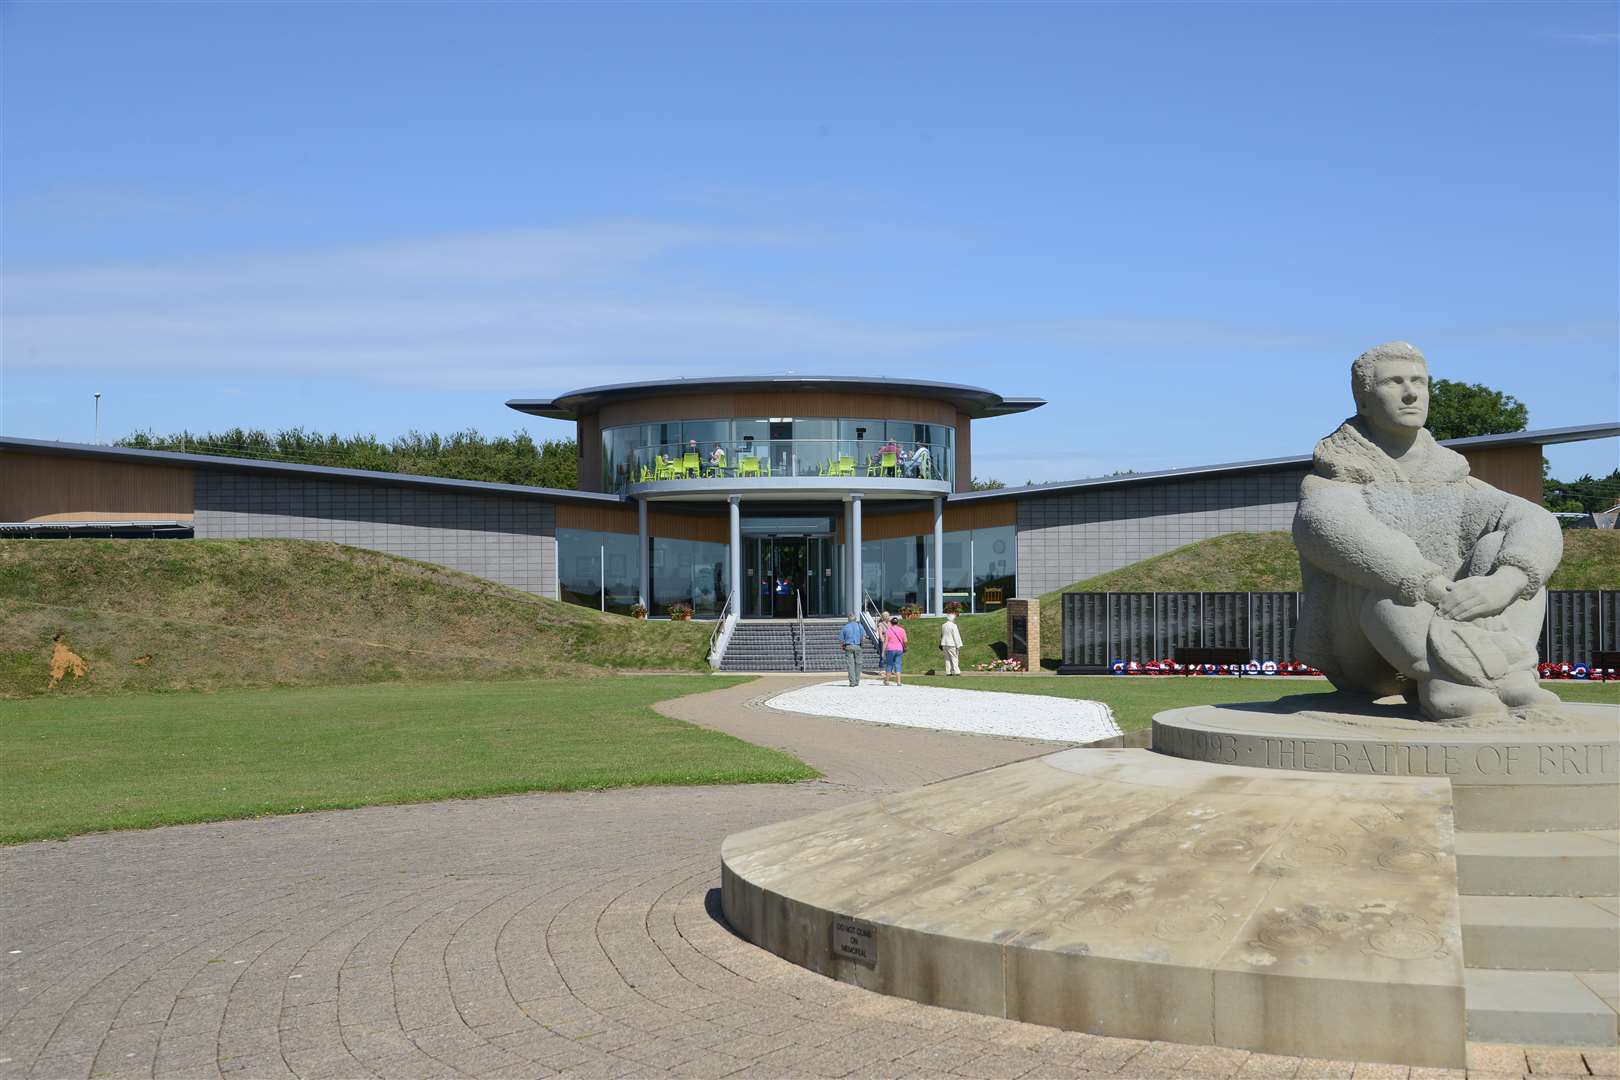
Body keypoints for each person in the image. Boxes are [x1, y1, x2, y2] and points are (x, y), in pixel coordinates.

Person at [1294, 342, 1562, 720]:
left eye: (1419, 381)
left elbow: (1535, 519)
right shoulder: (1335, 476)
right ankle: (1446, 681)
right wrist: (1432, 587)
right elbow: (1326, 527)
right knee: (1383, 577)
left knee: (1505, 547)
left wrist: (1506, 581)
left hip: (1472, 626)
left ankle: (1510, 676)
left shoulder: (1452, 477)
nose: (1411, 393)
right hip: (1371, 652)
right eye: (1394, 382)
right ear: (1364, 400)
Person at [838, 612, 866, 687]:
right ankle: (857, 681)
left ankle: (852, 682)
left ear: (848, 619)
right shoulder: (859, 626)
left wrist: (842, 647)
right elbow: (863, 636)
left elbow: (841, 639)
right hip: (857, 646)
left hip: (848, 646)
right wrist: (862, 644)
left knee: (850, 665)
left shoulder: (845, 627)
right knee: (858, 664)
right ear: (855, 619)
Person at [882, 612, 907, 686]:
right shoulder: (902, 630)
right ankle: (898, 681)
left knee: (889, 664)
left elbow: (885, 642)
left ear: (891, 623)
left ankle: (887, 681)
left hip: (890, 649)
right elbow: (905, 640)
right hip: (899, 649)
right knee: (898, 665)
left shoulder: (888, 631)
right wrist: (905, 647)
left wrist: (883, 651)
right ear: (897, 622)